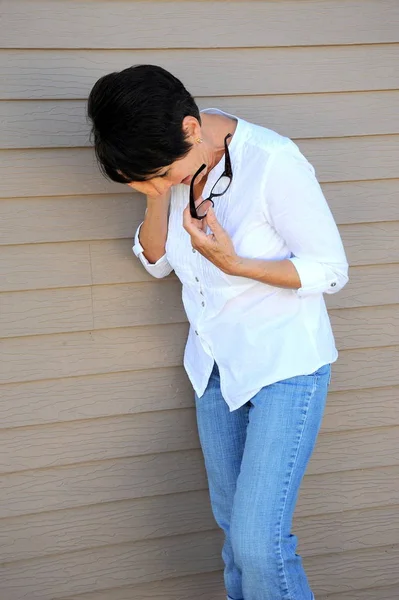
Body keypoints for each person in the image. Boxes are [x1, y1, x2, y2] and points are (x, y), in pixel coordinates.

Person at [87, 64, 349, 600]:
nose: (166, 181)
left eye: (166, 171)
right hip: (213, 372)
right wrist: (158, 193)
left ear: (190, 126)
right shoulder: (173, 174)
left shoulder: (273, 162)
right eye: (152, 178)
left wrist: (237, 264)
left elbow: (331, 270)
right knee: (237, 540)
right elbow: (156, 259)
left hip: (284, 370)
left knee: (259, 544)